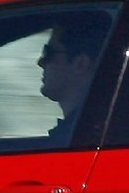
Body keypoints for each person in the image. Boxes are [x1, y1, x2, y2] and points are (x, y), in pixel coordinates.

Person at [34, 11, 111, 140]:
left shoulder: (87, 139)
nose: (40, 62)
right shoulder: (93, 130)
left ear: (80, 64)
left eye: (49, 53)